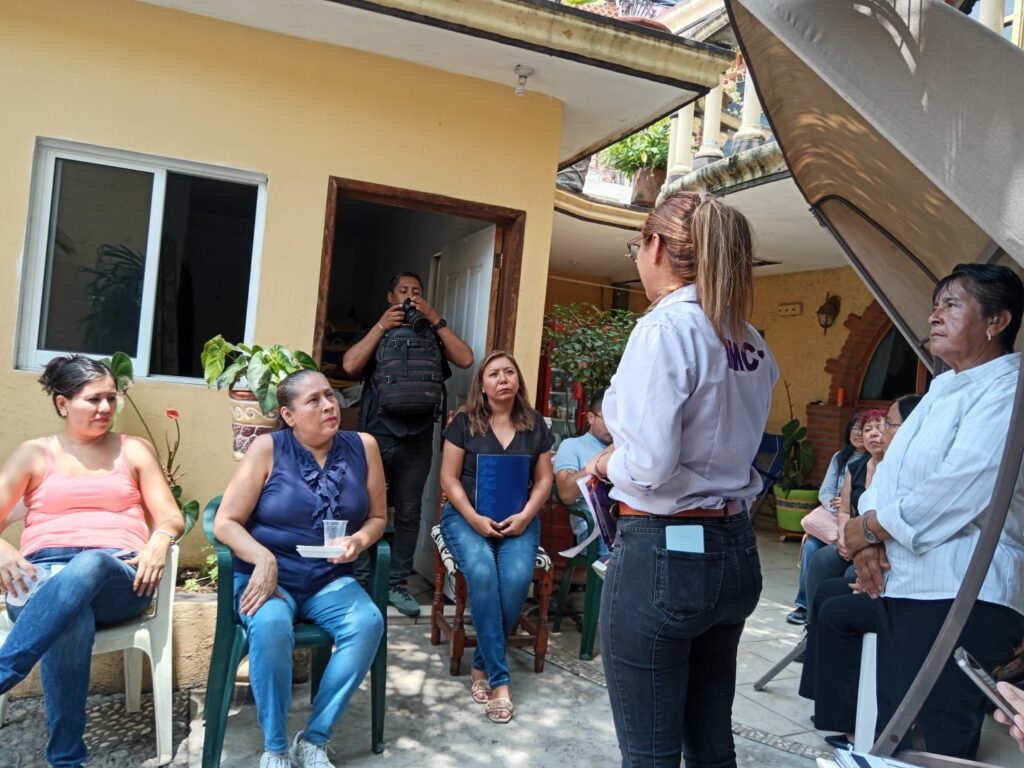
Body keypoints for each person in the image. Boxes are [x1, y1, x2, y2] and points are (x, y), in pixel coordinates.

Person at [585, 192, 778, 767]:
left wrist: (599, 464)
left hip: (664, 551)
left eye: (636, 246)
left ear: (657, 247)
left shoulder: (665, 329)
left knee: (650, 752)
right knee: (711, 743)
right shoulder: (751, 340)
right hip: (734, 549)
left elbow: (648, 463)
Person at [843, 263, 1024, 759]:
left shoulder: (1010, 388)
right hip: (907, 582)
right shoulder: (941, 389)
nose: (934, 315)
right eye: (936, 304)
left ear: (996, 321)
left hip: (964, 589)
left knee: (937, 740)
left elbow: (962, 486)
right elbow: (889, 472)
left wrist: (868, 529)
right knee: (894, 734)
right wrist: (868, 538)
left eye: (952, 304)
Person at [0, 355, 184, 768]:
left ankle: (4, 671)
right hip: (40, 577)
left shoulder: (133, 450)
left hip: (116, 578)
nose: (105, 408)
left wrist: (160, 536)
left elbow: (171, 514)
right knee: (71, 616)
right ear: (63, 404)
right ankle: (66, 760)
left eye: (111, 398)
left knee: (91, 564)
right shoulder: (33, 454)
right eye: (93, 399)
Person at [213, 370, 386, 768]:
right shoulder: (268, 449)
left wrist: (358, 541)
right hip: (269, 578)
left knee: (368, 623)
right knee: (271, 625)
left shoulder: (365, 446)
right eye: (314, 401)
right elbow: (225, 522)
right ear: (288, 415)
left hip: (328, 579)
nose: (329, 406)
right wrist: (263, 558)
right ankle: (274, 747)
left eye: (331, 396)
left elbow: (377, 516)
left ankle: (314, 739)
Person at [342, 271, 474, 617]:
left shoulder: (429, 332)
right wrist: (381, 327)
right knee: (365, 507)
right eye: (403, 290)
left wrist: (435, 319)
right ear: (390, 296)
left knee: (410, 511)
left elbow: (465, 359)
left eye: (416, 291)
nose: (410, 296)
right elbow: (351, 365)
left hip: (418, 436)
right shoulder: (378, 329)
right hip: (376, 434)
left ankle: (396, 585)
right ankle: (360, 580)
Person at [798, 395, 921, 750]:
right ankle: (824, 696)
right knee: (826, 586)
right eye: (875, 426)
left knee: (838, 607)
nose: (881, 432)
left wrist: (863, 546)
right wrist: (850, 536)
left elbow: (890, 520)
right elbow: (855, 509)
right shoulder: (857, 463)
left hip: (903, 582)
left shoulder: (908, 467)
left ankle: (851, 724)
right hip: (874, 558)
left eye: (888, 424)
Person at [438, 350, 554, 724]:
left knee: (517, 579)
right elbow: (448, 478)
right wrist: (472, 517)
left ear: (518, 380)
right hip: (466, 518)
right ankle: (500, 682)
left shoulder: (534, 425)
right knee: (484, 575)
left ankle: (481, 664)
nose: (502, 378)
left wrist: (525, 516)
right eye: (494, 374)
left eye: (509, 372)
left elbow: (545, 480)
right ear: (482, 385)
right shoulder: (464, 423)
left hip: (519, 520)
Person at [787, 413, 866, 625]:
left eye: (864, 429)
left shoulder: (875, 461)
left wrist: (849, 505)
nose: (859, 434)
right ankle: (804, 604)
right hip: (833, 519)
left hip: (857, 522)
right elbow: (825, 491)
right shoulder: (840, 458)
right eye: (855, 428)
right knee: (812, 545)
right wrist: (835, 504)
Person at [553, 387, 612, 559]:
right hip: (592, 531)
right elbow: (565, 494)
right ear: (591, 418)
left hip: (626, 525)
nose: (614, 424)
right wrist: (596, 464)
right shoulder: (572, 445)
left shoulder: (624, 447)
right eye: (608, 418)